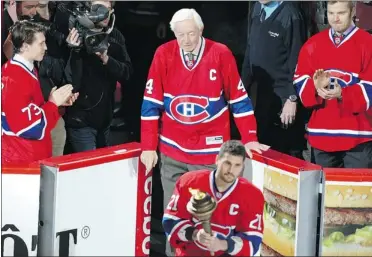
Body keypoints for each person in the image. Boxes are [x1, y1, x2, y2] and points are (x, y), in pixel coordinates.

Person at [140, 8, 268, 208]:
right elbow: (150, 103)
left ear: (201, 30)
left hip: (209, 154)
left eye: (191, 33)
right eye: (181, 35)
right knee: (174, 217)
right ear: (174, 33)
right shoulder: (163, 53)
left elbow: (239, 100)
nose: (187, 40)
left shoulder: (221, 54)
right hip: (172, 151)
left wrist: (250, 138)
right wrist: (148, 146)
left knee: (206, 217)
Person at [294, 1, 372, 168]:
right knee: (324, 192)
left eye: (341, 13)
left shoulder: (368, 43)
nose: (335, 19)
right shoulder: (312, 44)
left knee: (356, 193)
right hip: (321, 135)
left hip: (358, 137)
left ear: (352, 12)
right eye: (331, 13)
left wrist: (343, 94)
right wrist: (314, 87)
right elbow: (300, 80)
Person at [162, 140, 264, 256]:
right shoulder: (189, 182)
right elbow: (170, 221)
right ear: (216, 160)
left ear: (242, 167)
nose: (231, 170)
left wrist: (222, 244)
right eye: (227, 163)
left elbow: (253, 242)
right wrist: (194, 234)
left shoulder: (252, 195)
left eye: (237, 165)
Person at [1, 20, 78, 164]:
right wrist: (53, 104)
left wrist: (58, 102)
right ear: (24, 46)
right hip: (22, 164)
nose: (46, 47)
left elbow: (31, 108)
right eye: (41, 43)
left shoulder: (27, 69)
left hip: (30, 158)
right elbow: (30, 128)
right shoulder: (12, 77)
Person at [241, 1, 308, 159]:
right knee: (263, 148)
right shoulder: (257, 9)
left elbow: (298, 60)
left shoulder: (291, 16)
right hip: (264, 93)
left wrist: (292, 98)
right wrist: (242, 88)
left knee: (287, 153)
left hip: (285, 98)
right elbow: (250, 51)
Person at [63, 0, 132, 153]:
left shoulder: (115, 36)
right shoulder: (75, 35)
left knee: (102, 168)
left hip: (105, 119)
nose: (104, 14)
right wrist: (74, 51)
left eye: (107, 9)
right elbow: (70, 81)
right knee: (88, 168)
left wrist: (107, 60)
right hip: (81, 119)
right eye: (98, 9)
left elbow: (127, 72)